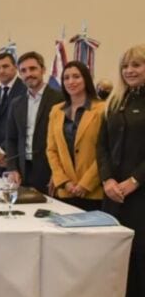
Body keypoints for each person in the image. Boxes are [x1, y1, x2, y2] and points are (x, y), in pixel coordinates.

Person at [97, 44, 145, 297]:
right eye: (125, 66)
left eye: (136, 65)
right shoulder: (115, 101)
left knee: (141, 255)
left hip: (140, 193)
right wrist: (107, 180)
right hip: (114, 193)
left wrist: (134, 181)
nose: (129, 70)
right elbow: (101, 146)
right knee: (119, 256)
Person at [45, 61, 103, 211]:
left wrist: (86, 183)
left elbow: (105, 152)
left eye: (76, 76)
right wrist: (63, 181)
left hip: (93, 191)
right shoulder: (56, 111)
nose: (71, 81)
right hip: (66, 190)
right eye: (66, 78)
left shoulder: (102, 109)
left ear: (86, 79)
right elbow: (51, 150)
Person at [4, 51, 64, 194]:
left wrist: (59, 174)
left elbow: (65, 141)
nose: (28, 74)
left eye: (32, 69)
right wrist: (12, 168)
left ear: (43, 70)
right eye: (23, 70)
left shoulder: (59, 99)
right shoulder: (16, 103)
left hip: (50, 171)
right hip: (23, 172)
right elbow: (11, 138)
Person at [0, 52, 27, 172]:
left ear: (15, 67)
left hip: (15, 159)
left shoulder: (25, 90)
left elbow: (22, 127)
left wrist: (2, 150)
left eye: (5, 66)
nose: (1, 71)